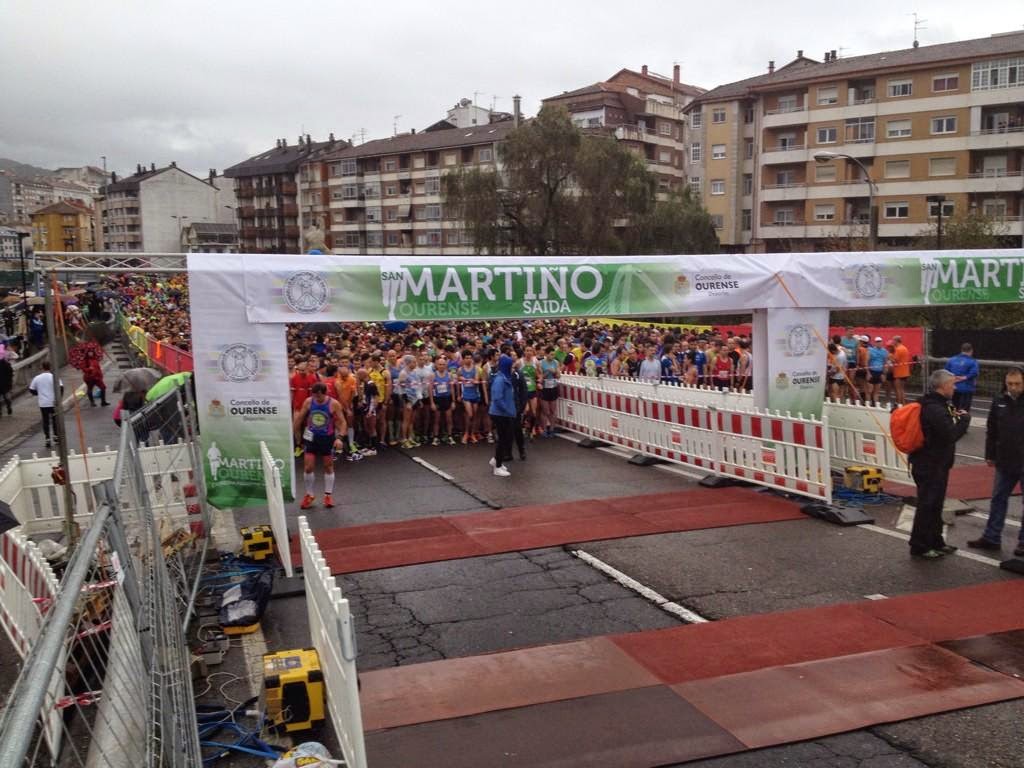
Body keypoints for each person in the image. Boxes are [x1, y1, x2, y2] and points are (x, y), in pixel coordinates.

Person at [908, 370, 971, 559]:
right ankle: (919, 545)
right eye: (952, 384)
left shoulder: (935, 403)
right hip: (930, 464)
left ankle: (936, 541)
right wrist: (964, 421)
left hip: (935, 463)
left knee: (935, 504)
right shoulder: (934, 408)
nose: (955, 388)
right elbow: (950, 435)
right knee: (927, 505)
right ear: (943, 386)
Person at [967, 367, 1024, 555]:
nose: (1013, 387)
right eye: (1010, 384)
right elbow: (991, 429)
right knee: (998, 498)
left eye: (1017, 384)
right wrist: (990, 454)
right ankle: (991, 537)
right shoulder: (999, 400)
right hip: (1004, 459)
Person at [292, 382, 347, 510]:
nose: (317, 398)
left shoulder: (334, 404)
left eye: (319, 396)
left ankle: (328, 495)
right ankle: (309, 495)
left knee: (328, 466)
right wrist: (293, 434)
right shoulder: (308, 401)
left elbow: (343, 422)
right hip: (311, 437)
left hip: (326, 438)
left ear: (324, 393)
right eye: (315, 396)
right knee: (308, 467)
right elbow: (299, 418)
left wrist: (340, 438)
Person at [487, 354, 516, 477]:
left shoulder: (504, 377)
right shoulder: (500, 380)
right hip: (500, 414)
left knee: (506, 438)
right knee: (503, 439)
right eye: (511, 366)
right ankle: (497, 466)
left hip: (505, 413)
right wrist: (507, 410)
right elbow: (497, 398)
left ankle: (496, 460)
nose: (512, 368)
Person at [28, 361, 62, 449]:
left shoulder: (37, 378)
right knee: (55, 420)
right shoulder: (54, 377)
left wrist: (38, 393)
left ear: (42, 367)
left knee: (45, 421)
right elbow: (61, 388)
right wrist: (59, 398)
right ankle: (56, 436)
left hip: (43, 403)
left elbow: (31, 389)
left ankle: (47, 439)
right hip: (54, 402)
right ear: (50, 367)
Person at [945, 342, 979, 413]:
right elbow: (974, 373)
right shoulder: (972, 361)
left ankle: (954, 419)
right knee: (964, 411)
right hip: (967, 389)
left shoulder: (952, 360)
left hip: (954, 388)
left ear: (961, 350)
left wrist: (953, 378)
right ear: (971, 351)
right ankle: (962, 419)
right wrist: (965, 377)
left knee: (954, 408)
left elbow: (946, 371)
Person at [866, 336, 888, 406]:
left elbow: (885, 363)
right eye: (877, 342)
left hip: (879, 372)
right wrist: (868, 373)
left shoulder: (884, 351)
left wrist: (884, 374)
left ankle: (875, 405)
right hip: (872, 371)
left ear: (882, 342)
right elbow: (867, 362)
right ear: (875, 343)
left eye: (880, 341)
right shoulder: (871, 350)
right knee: (870, 390)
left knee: (876, 391)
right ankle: (868, 404)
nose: (879, 343)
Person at [892, 335, 912, 405]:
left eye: (893, 341)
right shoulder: (905, 348)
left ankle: (899, 403)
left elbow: (895, 360)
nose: (893, 342)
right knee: (902, 389)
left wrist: (890, 358)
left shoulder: (898, 349)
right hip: (905, 372)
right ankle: (903, 403)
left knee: (898, 389)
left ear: (896, 341)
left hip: (899, 372)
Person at [0, 351, 12, 417]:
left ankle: (0, 411)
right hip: (5, 384)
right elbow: (10, 373)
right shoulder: (6, 364)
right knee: (7, 397)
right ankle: (9, 406)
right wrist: (9, 382)